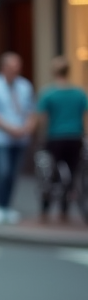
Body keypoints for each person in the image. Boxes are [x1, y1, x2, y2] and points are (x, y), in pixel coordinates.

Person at [0, 52, 35, 224]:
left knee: (13, 174)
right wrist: (9, 128)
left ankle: (7, 207)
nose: (16, 70)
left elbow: (31, 111)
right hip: (1, 139)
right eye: (12, 67)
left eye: (18, 66)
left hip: (20, 137)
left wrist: (28, 127)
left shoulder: (25, 86)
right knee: (2, 171)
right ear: (3, 67)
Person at [33, 56, 88, 220]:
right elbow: (85, 115)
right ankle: (65, 210)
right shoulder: (79, 93)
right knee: (73, 172)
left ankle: (46, 209)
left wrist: (38, 134)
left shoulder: (48, 93)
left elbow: (41, 118)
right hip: (75, 137)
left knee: (50, 173)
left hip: (55, 137)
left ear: (53, 72)